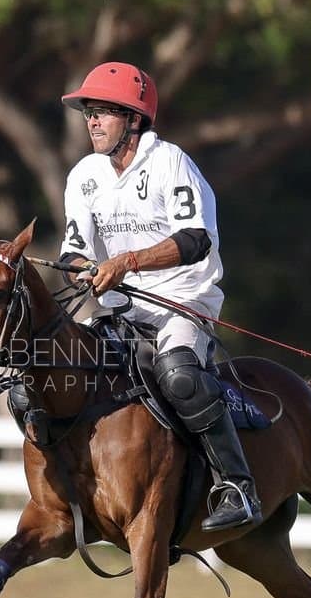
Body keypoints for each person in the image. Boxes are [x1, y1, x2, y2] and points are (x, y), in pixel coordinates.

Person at [57, 62, 260, 531]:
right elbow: (72, 249)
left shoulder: (170, 162)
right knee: (60, 366)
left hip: (182, 301)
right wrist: (82, 269)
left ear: (133, 119)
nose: (92, 121)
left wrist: (125, 262)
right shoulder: (84, 175)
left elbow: (195, 240)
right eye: (89, 112)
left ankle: (237, 486)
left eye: (104, 112)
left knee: (179, 376)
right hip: (118, 309)